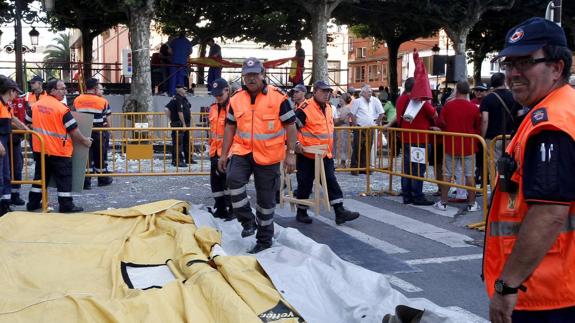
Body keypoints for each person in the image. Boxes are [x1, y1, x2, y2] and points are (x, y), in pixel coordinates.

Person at [483, 17, 575, 323]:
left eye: (524, 62)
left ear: (557, 67)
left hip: (546, 293)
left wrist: (507, 286)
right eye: (508, 64)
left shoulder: (551, 124)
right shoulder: (563, 109)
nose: (513, 73)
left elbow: (550, 214)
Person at [217, 57, 297, 254]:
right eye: (247, 75)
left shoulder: (278, 98)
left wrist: (291, 153)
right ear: (243, 77)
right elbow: (230, 127)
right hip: (243, 152)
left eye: (255, 74)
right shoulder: (235, 99)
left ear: (263, 75)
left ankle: (264, 239)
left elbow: (291, 126)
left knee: (266, 201)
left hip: (268, 156)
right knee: (233, 180)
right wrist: (223, 154)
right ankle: (247, 221)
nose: (251, 79)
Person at [293, 80, 360, 225]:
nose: (327, 94)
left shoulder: (329, 107)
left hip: (324, 153)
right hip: (307, 154)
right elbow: (292, 128)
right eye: (323, 91)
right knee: (305, 182)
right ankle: (301, 211)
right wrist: (296, 144)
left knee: (330, 180)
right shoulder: (305, 108)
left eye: (328, 92)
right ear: (315, 91)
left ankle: (339, 211)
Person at [26, 79, 92, 213]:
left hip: (40, 149)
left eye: (65, 88)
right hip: (58, 150)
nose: (65, 91)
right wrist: (85, 141)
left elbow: (27, 123)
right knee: (64, 178)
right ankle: (66, 205)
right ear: (52, 91)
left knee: (40, 178)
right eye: (62, 88)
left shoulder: (35, 106)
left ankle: (32, 203)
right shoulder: (61, 109)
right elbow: (73, 130)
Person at [433, 80, 481, 212]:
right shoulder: (473, 107)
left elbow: (441, 122)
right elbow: (478, 125)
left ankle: (443, 202)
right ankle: (472, 203)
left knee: (447, 174)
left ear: (456, 90)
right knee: (470, 175)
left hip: (451, 144)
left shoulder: (448, 106)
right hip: (469, 145)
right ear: (468, 91)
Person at [395, 77, 437, 205]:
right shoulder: (420, 101)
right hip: (420, 139)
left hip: (406, 138)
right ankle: (417, 195)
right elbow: (434, 115)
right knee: (418, 169)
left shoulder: (400, 99)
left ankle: (406, 194)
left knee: (407, 168)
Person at [480, 72, 521, 185]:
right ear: (504, 82)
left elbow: (484, 119)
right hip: (511, 136)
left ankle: (495, 193)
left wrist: (482, 136)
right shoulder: (514, 96)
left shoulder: (488, 98)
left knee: (493, 166)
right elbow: (519, 115)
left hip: (492, 137)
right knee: (511, 165)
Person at [73, 78, 113, 189]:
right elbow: (108, 120)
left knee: (85, 156)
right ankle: (102, 179)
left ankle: (86, 181)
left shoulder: (77, 99)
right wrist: (109, 131)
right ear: (95, 88)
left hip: (83, 131)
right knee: (100, 155)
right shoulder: (102, 101)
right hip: (98, 132)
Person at [0, 77, 28, 215]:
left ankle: (5, 204)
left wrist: (24, 128)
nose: (16, 95)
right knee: (1, 175)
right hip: (1, 141)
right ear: (10, 91)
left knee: (5, 174)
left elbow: (12, 118)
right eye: (15, 92)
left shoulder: (6, 105)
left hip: (4, 140)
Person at [208, 78, 233, 221]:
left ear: (227, 91)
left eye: (220, 95)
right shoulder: (213, 108)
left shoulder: (234, 107)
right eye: (215, 95)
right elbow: (213, 131)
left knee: (228, 184)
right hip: (214, 152)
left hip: (229, 153)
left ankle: (231, 209)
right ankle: (220, 207)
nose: (218, 98)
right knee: (216, 183)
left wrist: (229, 154)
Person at [349, 85, 384, 175]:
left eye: (370, 91)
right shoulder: (357, 101)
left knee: (367, 148)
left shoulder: (375, 100)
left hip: (370, 128)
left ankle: (364, 167)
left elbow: (381, 113)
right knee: (357, 147)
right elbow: (352, 114)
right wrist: (355, 126)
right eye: (368, 92)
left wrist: (376, 123)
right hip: (360, 127)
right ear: (363, 93)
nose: (370, 93)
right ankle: (354, 168)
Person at [165, 84, 191, 167]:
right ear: (180, 90)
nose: (185, 90)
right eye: (184, 89)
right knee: (178, 143)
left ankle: (188, 158)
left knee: (186, 141)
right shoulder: (177, 98)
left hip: (185, 123)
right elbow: (167, 109)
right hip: (179, 124)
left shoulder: (184, 98)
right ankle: (177, 160)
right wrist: (172, 120)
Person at [334, 93, 353, 168]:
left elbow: (341, 119)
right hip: (339, 129)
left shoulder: (346, 108)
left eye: (341, 99)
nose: (340, 100)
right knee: (339, 145)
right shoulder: (340, 108)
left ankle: (343, 162)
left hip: (343, 129)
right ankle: (340, 161)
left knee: (343, 145)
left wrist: (335, 122)